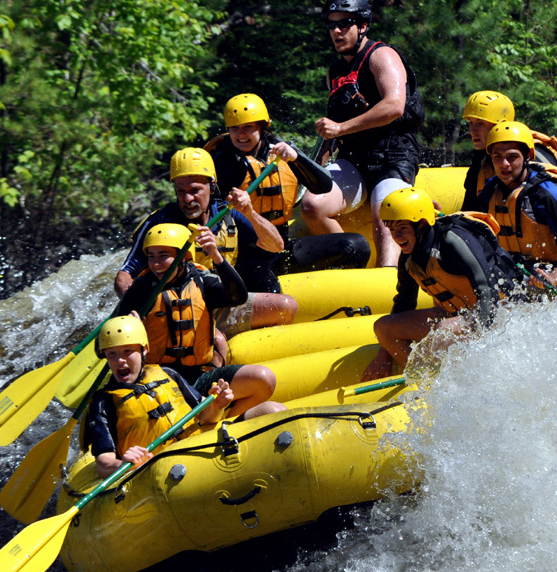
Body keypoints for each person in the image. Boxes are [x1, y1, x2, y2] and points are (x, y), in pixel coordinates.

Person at [115, 147, 297, 337]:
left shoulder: (227, 213)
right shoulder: (160, 223)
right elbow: (124, 276)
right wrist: (136, 308)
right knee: (216, 338)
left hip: (221, 299)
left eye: (195, 190)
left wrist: (249, 212)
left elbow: (276, 246)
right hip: (176, 310)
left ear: (212, 185)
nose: (187, 199)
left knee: (286, 306)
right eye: (181, 191)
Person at [114, 222, 282, 422]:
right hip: (160, 382)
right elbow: (107, 344)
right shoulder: (141, 289)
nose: (156, 264)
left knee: (263, 378)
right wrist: (130, 332)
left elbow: (238, 297)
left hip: (198, 376)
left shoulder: (201, 280)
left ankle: (223, 424)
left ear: (184, 257)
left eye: (163, 256)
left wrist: (216, 257)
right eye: (151, 256)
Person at [301, 0, 425, 267]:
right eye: (332, 25)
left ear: (363, 26)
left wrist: (341, 128)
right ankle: (351, 263)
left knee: (388, 218)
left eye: (345, 24)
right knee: (312, 206)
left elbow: (394, 106)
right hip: (353, 160)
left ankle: (387, 274)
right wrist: (314, 169)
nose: (336, 31)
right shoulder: (335, 71)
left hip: (393, 156)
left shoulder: (382, 56)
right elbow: (332, 130)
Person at [85, 316, 284, 478]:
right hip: (169, 470)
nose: (120, 360)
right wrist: (124, 464)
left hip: (204, 445)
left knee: (272, 410)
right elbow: (103, 464)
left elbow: (206, 418)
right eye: (112, 354)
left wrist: (217, 406)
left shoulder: (167, 374)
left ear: (143, 350)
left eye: (127, 351)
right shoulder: (103, 402)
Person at [362, 187, 525, 381]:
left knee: (444, 332)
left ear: (421, 224)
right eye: (392, 229)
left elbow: (486, 290)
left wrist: (486, 344)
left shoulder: (452, 241)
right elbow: (404, 303)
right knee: (383, 327)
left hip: (498, 313)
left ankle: (442, 381)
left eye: (403, 228)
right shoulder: (408, 258)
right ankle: (424, 381)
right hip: (455, 316)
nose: (396, 237)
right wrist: (383, 355)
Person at [207, 93, 371, 274]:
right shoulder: (220, 162)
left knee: (356, 246)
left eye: (248, 127)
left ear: (262, 127)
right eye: (234, 128)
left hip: (282, 248)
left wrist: (297, 158)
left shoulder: (281, 151)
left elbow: (324, 186)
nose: (241, 135)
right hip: (244, 254)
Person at [475, 121, 557, 291]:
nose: (504, 164)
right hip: (513, 276)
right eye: (497, 156)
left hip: (553, 278)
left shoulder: (547, 193)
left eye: (512, 157)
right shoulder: (490, 190)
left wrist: (553, 277)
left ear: (527, 156)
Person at [460, 90, 557, 211]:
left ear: (499, 125)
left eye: (480, 124)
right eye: (471, 122)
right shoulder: (481, 159)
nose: (472, 130)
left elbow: (556, 202)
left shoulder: (531, 153)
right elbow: (469, 206)